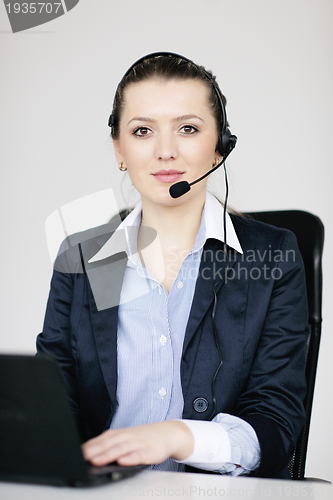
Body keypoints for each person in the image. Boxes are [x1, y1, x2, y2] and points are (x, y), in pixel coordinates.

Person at [36, 53, 309, 479]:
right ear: (119, 149)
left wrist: (180, 437)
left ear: (220, 146)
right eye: (142, 131)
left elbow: (276, 420)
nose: (165, 151)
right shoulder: (83, 261)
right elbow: (54, 406)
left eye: (188, 128)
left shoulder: (272, 257)